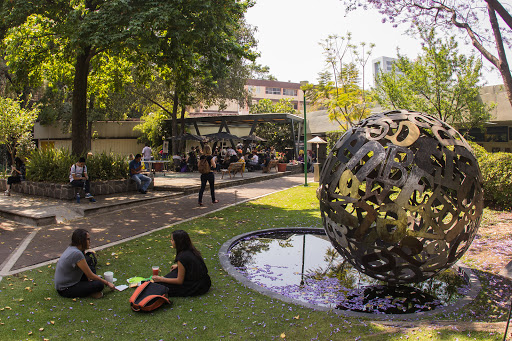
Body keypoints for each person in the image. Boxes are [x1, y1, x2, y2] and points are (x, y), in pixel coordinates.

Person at [54, 229, 116, 298]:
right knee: (99, 284)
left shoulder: (74, 248)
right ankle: (91, 293)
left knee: (90, 266)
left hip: (70, 281)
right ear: (81, 241)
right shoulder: (76, 253)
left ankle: (90, 289)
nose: (90, 241)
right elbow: (91, 276)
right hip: (65, 289)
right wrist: (107, 283)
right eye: (88, 239)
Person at [152, 230, 211, 297]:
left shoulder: (182, 257)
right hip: (205, 282)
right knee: (174, 272)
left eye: (172, 240)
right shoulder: (192, 251)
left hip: (196, 287)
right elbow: (194, 265)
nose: (171, 242)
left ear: (178, 242)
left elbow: (179, 281)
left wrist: (161, 279)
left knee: (161, 285)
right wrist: (178, 266)